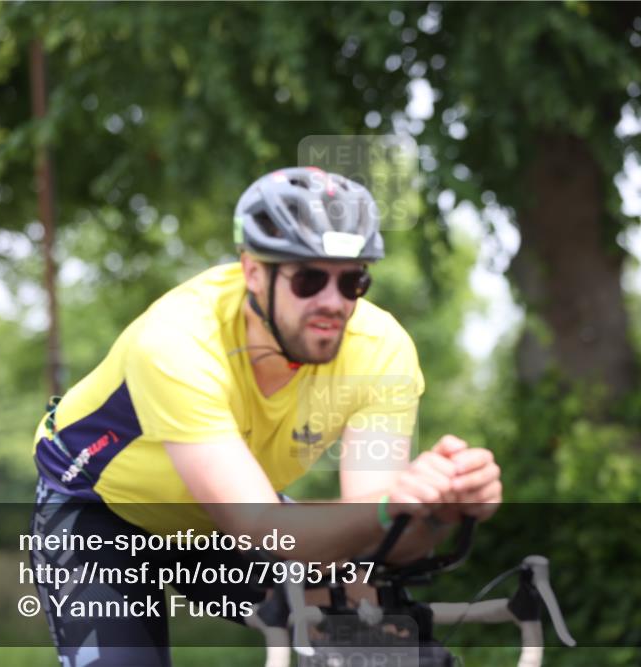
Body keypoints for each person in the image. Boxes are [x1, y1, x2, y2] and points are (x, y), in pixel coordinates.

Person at [28, 166, 502, 666]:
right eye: (309, 278)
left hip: (227, 513)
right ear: (253, 271)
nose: (332, 302)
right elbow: (260, 529)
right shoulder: (179, 341)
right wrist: (388, 509)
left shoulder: (381, 352)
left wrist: (439, 508)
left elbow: (373, 537)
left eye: (353, 281)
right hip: (101, 510)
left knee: (385, 642)